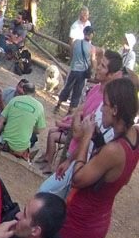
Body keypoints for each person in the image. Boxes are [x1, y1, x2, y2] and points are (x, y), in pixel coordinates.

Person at [60, 77, 139, 238]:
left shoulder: (114, 151)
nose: (101, 108)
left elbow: (78, 179)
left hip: (79, 225)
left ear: (115, 109)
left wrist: (86, 137)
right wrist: (96, 137)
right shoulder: (133, 136)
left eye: (105, 104)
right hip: (98, 224)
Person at [40, 50, 123, 185]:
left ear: (111, 74)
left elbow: (79, 133)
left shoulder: (104, 103)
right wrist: (75, 119)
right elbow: (78, 113)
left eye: (103, 66)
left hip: (79, 157)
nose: (98, 67)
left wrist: (74, 120)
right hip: (72, 149)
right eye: (100, 64)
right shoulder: (95, 89)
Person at [0, 82, 45, 160]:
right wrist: (29, 126)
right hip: (21, 149)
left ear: (24, 90)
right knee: (32, 138)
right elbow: (39, 130)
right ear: (35, 92)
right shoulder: (39, 106)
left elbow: (1, 120)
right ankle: (25, 154)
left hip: (6, 145)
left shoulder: (14, 100)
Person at [57, 25, 96, 112]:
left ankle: (58, 105)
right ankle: (70, 111)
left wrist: (73, 62)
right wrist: (92, 70)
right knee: (77, 92)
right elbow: (93, 61)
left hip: (73, 69)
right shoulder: (92, 48)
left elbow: (71, 54)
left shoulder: (76, 42)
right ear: (91, 35)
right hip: (83, 72)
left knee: (67, 87)